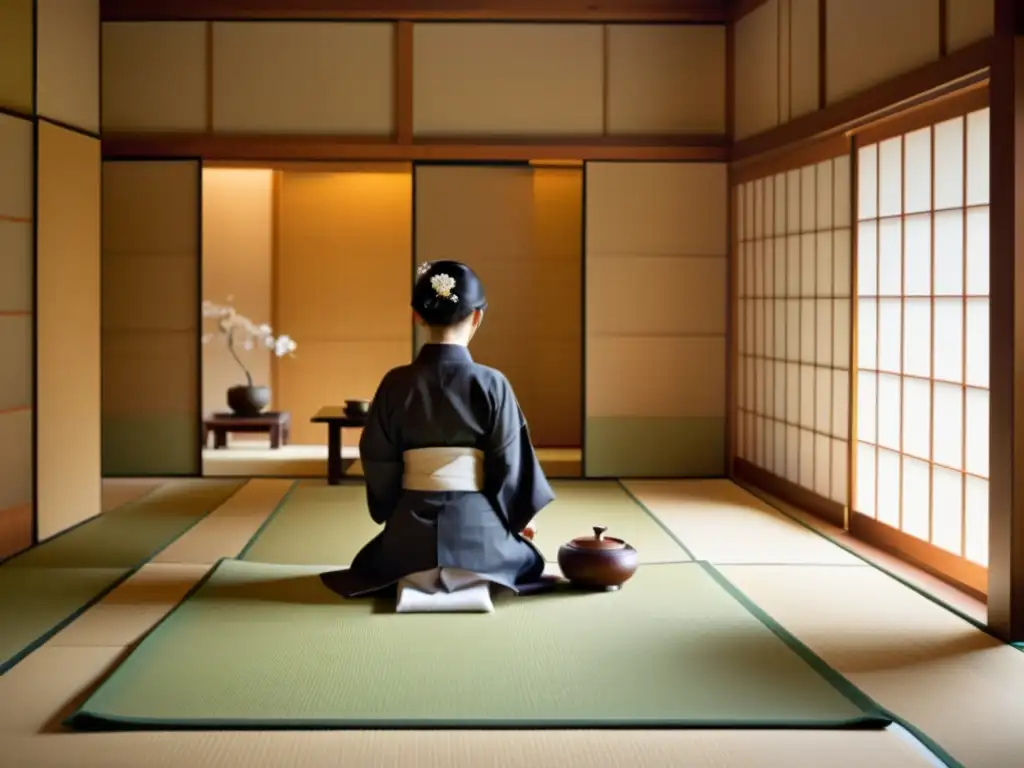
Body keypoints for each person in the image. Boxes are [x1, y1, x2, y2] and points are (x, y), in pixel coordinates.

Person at [320, 260, 556, 599]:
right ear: (477, 317)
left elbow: (378, 458)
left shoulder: (395, 383)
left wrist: (395, 511)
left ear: (418, 316)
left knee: (378, 560)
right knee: (528, 559)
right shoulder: (493, 383)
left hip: (408, 544)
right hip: (480, 543)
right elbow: (510, 466)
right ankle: (480, 564)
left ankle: (414, 565)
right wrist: (516, 522)